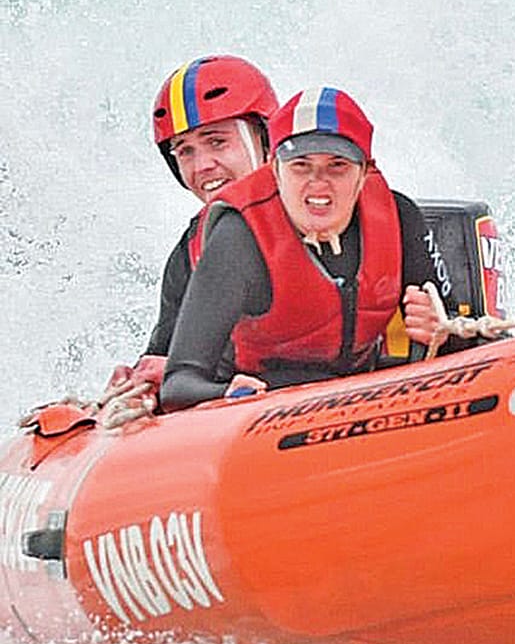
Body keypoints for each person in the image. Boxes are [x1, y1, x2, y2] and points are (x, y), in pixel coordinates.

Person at [160, 86, 452, 411]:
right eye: (300, 165)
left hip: (368, 395)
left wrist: (440, 330)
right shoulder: (239, 237)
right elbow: (178, 383)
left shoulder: (398, 217)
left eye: (337, 165)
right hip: (265, 409)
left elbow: (465, 333)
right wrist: (225, 393)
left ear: (363, 173)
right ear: (276, 171)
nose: (318, 182)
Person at [106, 55, 279, 403]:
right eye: (185, 151)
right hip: (256, 411)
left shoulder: (330, 208)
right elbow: (166, 362)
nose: (202, 166)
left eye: (217, 142)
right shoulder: (190, 254)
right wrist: (140, 385)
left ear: (266, 138)